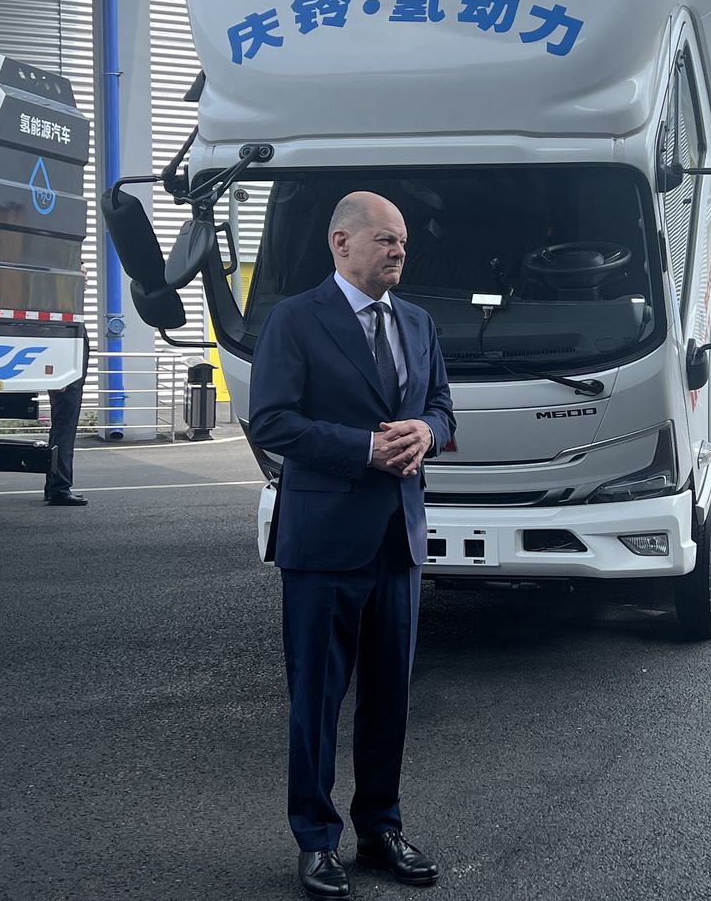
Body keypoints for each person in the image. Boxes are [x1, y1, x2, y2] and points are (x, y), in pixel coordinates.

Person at [248, 191, 456, 900]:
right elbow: (271, 420)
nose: (399, 251)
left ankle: (380, 828)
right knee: (317, 698)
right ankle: (314, 839)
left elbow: (441, 405)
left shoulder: (420, 323)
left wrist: (427, 431)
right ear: (341, 243)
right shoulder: (295, 320)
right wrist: (365, 447)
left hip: (398, 537)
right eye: (385, 240)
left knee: (389, 698)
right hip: (322, 543)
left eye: (402, 242)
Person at [44, 311, 90, 506]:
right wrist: (59, 374)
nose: (87, 279)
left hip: (69, 379)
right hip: (67, 381)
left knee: (61, 430)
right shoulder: (65, 307)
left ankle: (55, 485)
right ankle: (59, 488)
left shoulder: (70, 308)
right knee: (64, 430)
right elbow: (58, 341)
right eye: (84, 277)